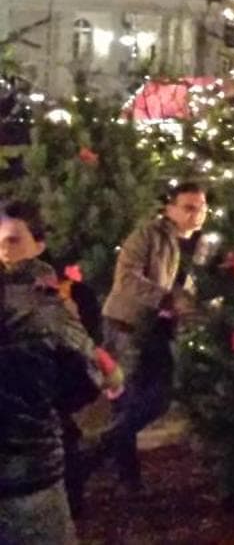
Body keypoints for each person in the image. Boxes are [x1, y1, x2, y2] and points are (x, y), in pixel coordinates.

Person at [1, 201, 113, 544]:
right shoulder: (49, 309)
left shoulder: (54, 301)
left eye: (12, 240)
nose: (3, 251)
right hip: (30, 476)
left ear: (39, 244)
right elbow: (87, 380)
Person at [86, 181, 205, 492]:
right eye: (188, 207)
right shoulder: (148, 235)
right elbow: (127, 279)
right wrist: (167, 299)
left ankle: (110, 466)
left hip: (157, 330)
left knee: (146, 400)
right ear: (170, 208)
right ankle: (109, 465)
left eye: (201, 208)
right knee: (139, 399)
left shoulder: (199, 245)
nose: (196, 214)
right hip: (127, 325)